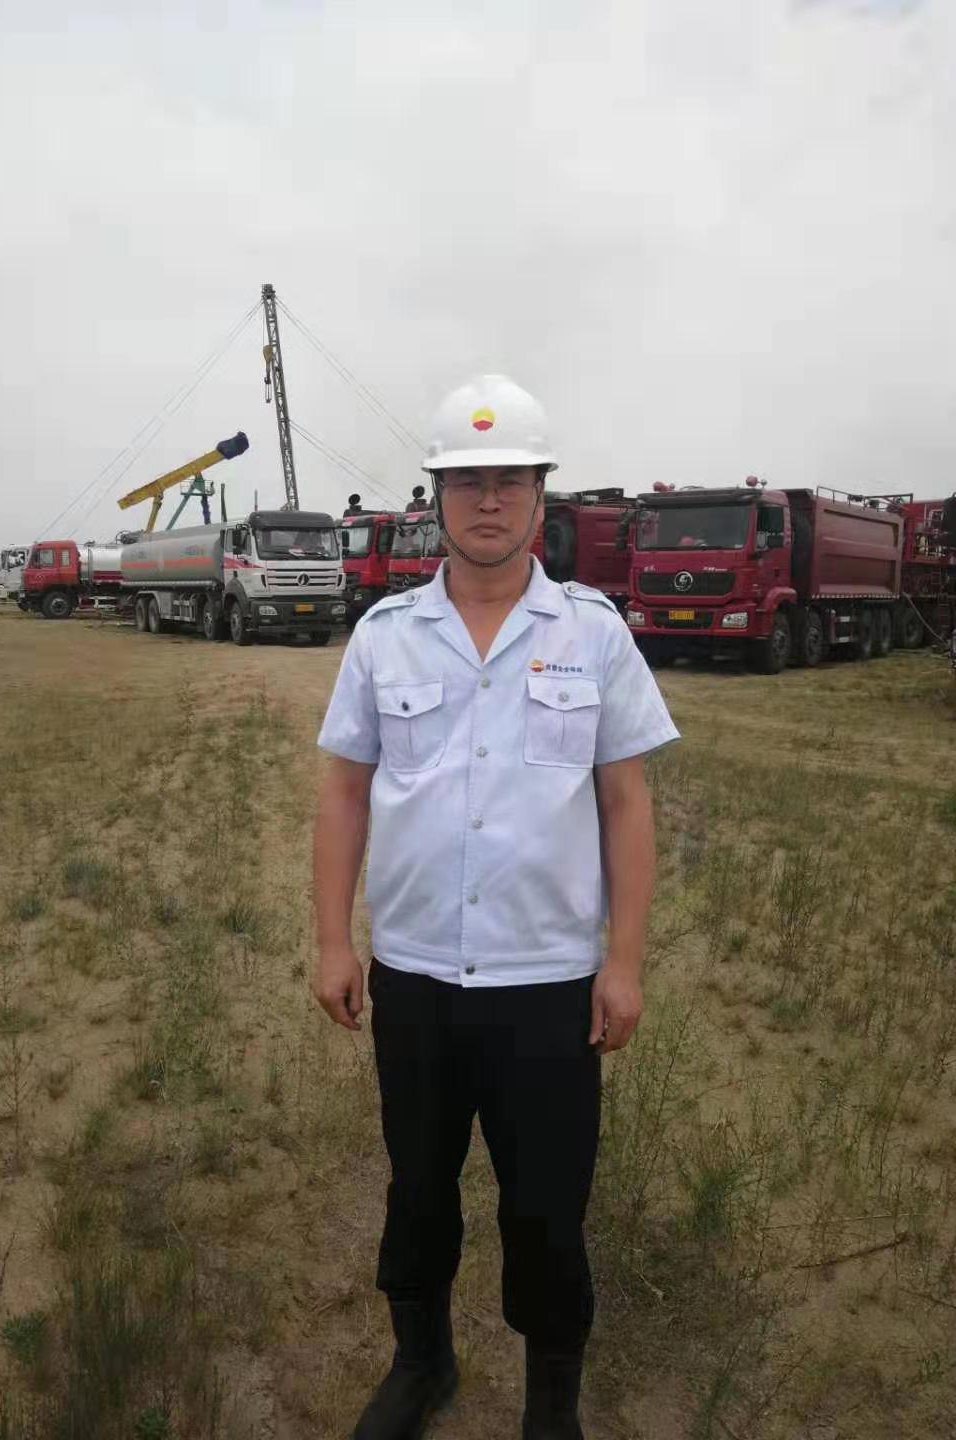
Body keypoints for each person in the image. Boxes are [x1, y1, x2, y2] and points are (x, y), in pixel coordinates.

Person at [313, 375, 679, 1440]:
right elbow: (344, 790)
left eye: (509, 479)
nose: (487, 500)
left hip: (547, 987)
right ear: (435, 495)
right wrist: (332, 941)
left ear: (540, 495)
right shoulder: (385, 634)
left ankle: (550, 1408)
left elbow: (625, 801)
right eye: (466, 480)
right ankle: (422, 1365)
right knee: (419, 1193)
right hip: (417, 977)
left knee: (547, 1211)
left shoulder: (593, 634)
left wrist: (624, 963)